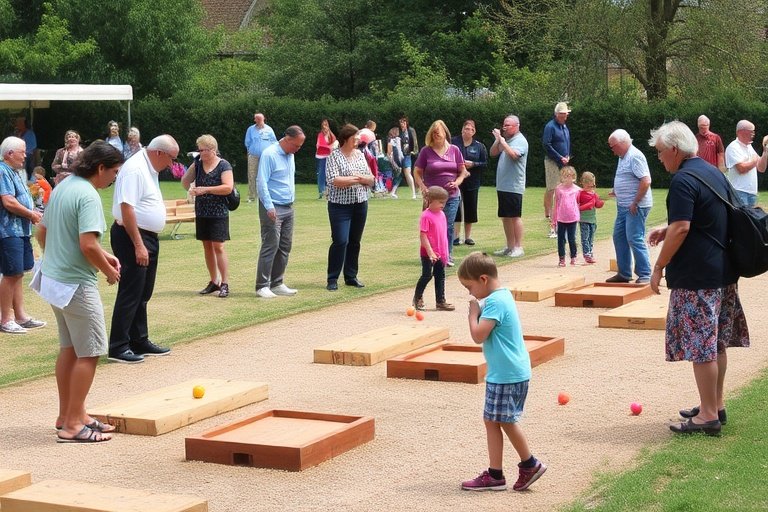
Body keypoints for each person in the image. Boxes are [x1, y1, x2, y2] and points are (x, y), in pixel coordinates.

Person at [647, 120, 750, 436]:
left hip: (698, 277)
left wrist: (658, 266)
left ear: (675, 150)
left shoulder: (681, 180)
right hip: (723, 272)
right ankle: (715, 404)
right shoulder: (710, 172)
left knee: (701, 346)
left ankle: (707, 415)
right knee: (716, 343)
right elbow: (709, 216)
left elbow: (683, 228)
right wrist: (669, 228)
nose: (660, 159)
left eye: (662, 152)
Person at [33, 141, 123, 443]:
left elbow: (42, 231)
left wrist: (101, 254)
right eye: (114, 172)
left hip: (54, 280)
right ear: (100, 168)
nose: (114, 178)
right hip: (76, 285)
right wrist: (109, 271)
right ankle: (72, 425)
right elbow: (86, 245)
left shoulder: (63, 186)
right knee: (92, 352)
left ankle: (70, 414)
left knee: (70, 350)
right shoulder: (88, 195)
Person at [458, 251, 547, 492]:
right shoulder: (502, 295)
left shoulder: (495, 302)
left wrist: (472, 314)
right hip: (506, 372)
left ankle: (530, 463)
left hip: (507, 374)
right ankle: (495, 473)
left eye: (469, 286)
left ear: (483, 279)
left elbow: (478, 335)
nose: (469, 292)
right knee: (492, 420)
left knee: (505, 420)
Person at [108, 134, 179, 363]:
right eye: (171, 159)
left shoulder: (150, 168)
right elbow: (126, 208)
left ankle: (139, 339)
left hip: (146, 236)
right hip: (132, 236)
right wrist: (139, 244)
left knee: (143, 292)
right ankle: (118, 346)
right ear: (159, 153)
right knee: (131, 291)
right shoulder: (135, 169)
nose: (171, 165)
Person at [0, 136, 45, 334]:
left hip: (21, 230)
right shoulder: (2, 171)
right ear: (10, 154)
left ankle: (20, 316)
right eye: (22, 152)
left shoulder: (14, 172)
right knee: (12, 273)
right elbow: (8, 202)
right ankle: (5, 319)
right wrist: (31, 214)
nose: (25, 155)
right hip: (8, 231)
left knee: (18, 273)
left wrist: (34, 211)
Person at [255, 126, 305, 299]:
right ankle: (262, 285)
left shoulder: (290, 155)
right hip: (273, 206)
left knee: (285, 246)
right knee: (270, 244)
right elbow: (261, 182)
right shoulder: (269, 154)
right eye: (296, 146)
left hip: (288, 205)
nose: (297, 150)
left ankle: (277, 283)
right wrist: (269, 206)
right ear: (287, 139)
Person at [181, 135, 234, 299]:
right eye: (199, 150)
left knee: (218, 246)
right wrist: (192, 167)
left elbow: (228, 187)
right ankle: (214, 281)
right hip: (202, 210)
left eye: (202, 150)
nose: (200, 153)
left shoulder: (223, 165)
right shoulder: (197, 163)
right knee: (207, 246)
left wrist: (206, 189)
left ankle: (225, 283)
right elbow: (184, 183)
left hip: (218, 212)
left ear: (212, 150)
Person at [325, 124, 375, 291]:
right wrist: (359, 178)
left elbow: (371, 178)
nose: (359, 139)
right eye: (356, 137)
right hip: (339, 206)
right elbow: (335, 180)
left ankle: (351, 276)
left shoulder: (360, 155)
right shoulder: (334, 156)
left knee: (354, 241)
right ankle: (332, 278)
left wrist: (357, 179)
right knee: (340, 240)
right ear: (347, 138)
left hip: (360, 203)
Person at [413, 120, 468, 265]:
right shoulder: (426, 151)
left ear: (445, 133)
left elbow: (462, 171)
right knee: (430, 227)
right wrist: (422, 186)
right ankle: (429, 255)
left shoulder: (455, 150)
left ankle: (446, 255)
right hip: (432, 197)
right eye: (434, 132)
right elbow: (417, 172)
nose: (436, 135)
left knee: (447, 225)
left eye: (439, 132)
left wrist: (457, 182)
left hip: (452, 195)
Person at [606, 129, 652, 284]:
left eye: (613, 147)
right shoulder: (623, 156)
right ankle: (624, 273)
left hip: (635, 206)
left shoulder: (635, 156)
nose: (612, 151)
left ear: (622, 143)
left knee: (634, 237)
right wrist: (617, 190)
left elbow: (645, 181)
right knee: (619, 237)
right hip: (623, 205)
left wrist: (635, 202)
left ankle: (645, 273)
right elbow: (627, 177)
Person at [491, 115, 528, 258]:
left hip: (514, 185)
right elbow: (493, 153)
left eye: (508, 125)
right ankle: (510, 246)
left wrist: (502, 141)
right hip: (503, 185)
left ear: (516, 126)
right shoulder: (507, 139)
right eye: (504, 125)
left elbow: (514, 155)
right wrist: (497, 140)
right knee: (505, 217)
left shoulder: (520, 141)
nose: (504, 127)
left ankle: (518, 247)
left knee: (515, 216)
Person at [413, 186, 454, 312]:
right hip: (428, 253)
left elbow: (442, 235)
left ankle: (440, 301)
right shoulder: (426, 216)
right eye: (441, 202)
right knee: (427, 275)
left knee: (440, 276)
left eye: (445, 202)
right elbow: (423, 235)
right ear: (431, 200)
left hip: (440, 252)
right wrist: (430, 251)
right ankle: (417, 298)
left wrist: (445, 252)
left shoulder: (441, 214)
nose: (443, 204)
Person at [451, 119, 488, 246]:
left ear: (474, 131)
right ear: (462, 130)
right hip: (456, 180)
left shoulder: (479, 146)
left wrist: (473, 164)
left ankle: (468, 237)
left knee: (470, 208)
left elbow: (484, 163)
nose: (468, 131)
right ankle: (455, 237)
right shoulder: (453, 142)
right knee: (455, 207)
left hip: (472, 181)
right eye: (466, 128)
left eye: (471, 129)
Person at [542, 102, 571, 237]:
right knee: (552, 189)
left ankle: (558, 221)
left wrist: (567, 156)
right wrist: (560, 157)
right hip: (552, 161)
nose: (565, 117)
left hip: (562, 162)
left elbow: (566, 143)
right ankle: (551, 221)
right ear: (556, 114)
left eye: (566, 114)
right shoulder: (550, 126)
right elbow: (546, 144)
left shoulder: (564, 126)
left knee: (561, 191)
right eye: (562, 115)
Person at [725, 120, 763, 207]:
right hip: (739, 191)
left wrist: (765, 151)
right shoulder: (733, 147)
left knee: (751, 220)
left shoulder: (749, 147)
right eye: (751, 131)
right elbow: (741, 169)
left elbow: (761, 168)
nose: (753, 133)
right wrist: (754, 161)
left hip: (752, 192)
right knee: (742, 220)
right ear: (741, 131)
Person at [244, 112, 278, 202]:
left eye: (259, 119)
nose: (257, 121)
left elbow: (274, 142)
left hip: (266, 157)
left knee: (266, 175)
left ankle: (266, 196)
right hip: (253, 156)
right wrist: (250, 151)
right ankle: (252, 197)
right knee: (252, 175)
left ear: (263, 119)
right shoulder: (250, 129)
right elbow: (247, 142)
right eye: (256, 119)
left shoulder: (269, 129)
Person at [552, 166, 581, 267]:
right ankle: (561, 258)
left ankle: (573, 257)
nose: (568, 178)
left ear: (574, 177)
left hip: (573, 218)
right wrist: (553, 220)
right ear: (562, 177)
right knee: (561, 239)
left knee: (572, 238)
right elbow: (555, 204)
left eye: (570, 176)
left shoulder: (577, 190)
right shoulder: (559, 189)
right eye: (565, 176)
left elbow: (580, 204)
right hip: (561, 218)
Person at [577, 171, 604, 264]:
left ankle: (590, 252)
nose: (590, 188)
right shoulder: (580, 193)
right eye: (588, 186)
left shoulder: (594, 194)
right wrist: (587, 205)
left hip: (592, 220)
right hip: (583, 219)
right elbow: (576, 208)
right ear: (582, 183)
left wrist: (601, 202)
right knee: (585, 237)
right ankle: (587, 254)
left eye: (592, 186)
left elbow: (597, 205)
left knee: (591, 238)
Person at [393, 116, 418, 200]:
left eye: (404, 122)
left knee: (407, 173)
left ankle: (414, 193)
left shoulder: (411, 130)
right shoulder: (397, 131)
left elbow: (414, 141)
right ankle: (393, 192)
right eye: (401, 122)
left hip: (407, 154)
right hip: (398, 155)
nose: (402, 124)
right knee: (398, 173)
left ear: (406, 122)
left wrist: (414, 151)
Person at [315, 119, 336, 199]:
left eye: (326, 125)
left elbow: (334, 145)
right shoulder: (320, 135)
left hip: (330, 156)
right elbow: (318, 145)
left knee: (329, 173)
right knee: (321, 174)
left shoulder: (331, 135)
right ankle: (322, 191)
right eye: (323, 125)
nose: (325, 127)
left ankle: (329, 191)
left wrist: (330, 148)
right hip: (322, 157)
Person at [385, 127, 404, 198]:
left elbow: (389, 153)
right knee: (398, 176)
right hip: (397, 160)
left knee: (396, 176)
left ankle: (393, 192)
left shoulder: (391, 141)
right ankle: (393, 192)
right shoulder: (396, 140)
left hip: (394, 160)